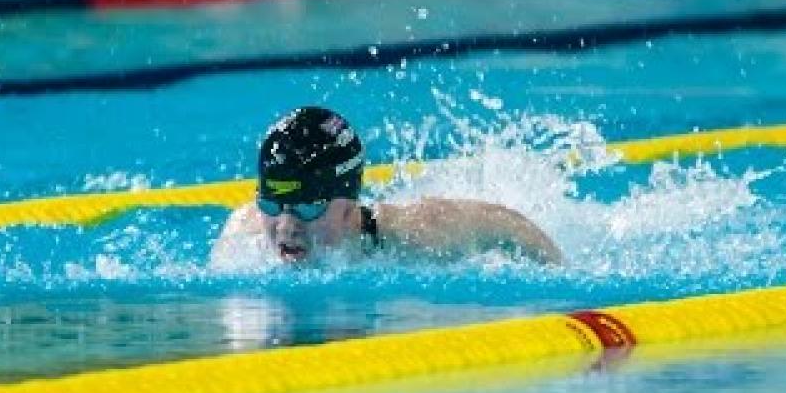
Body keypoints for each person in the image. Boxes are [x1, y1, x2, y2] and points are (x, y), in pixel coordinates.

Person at [211, 105, 563, 267]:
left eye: (308, 206)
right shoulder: (243, 235)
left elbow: (509, 225)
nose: (286, 227)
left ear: (350, 205)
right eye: (273, 204)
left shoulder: (419, 235)